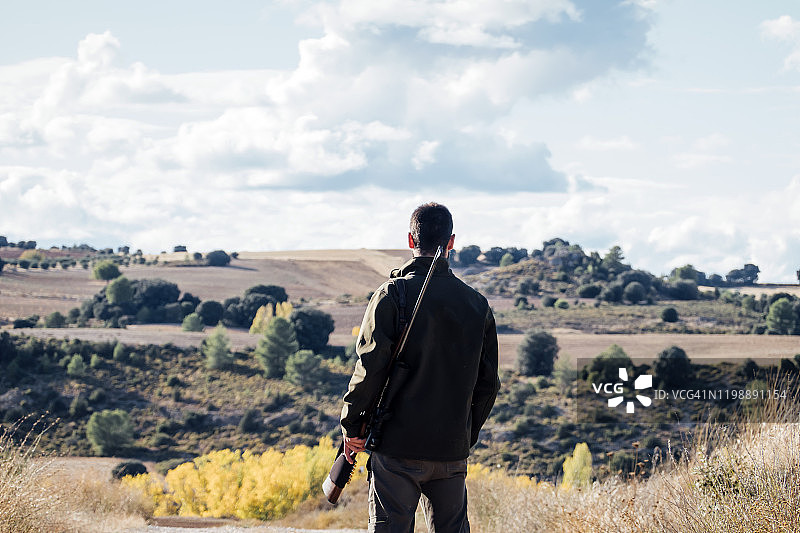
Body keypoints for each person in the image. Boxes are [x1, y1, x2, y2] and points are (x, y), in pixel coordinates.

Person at [339, 202, 500, 533]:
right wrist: (465, 435)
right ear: (452, 242)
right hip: (451, 451)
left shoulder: (391, 294)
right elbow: (488, 384)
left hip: (397, 447)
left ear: (411, 241)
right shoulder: (477, 304)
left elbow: (369, 367)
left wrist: (351, 425)